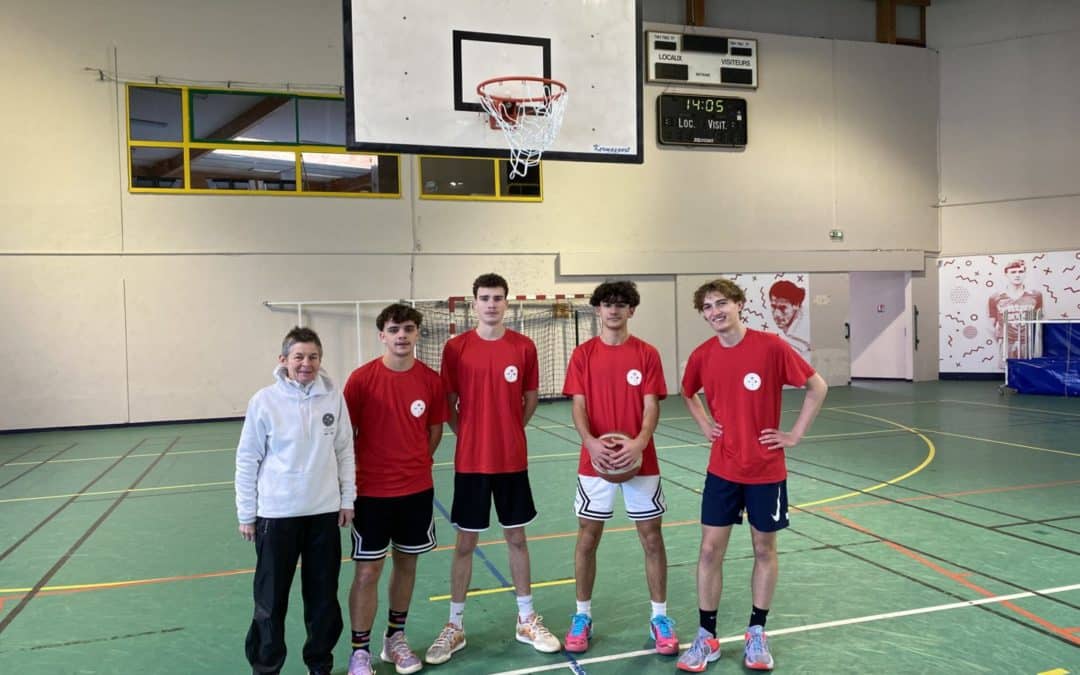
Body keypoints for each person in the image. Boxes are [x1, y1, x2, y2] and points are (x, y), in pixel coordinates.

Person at [676, 279, 828, 673]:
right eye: (707, 307)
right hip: (722, 469)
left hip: (765, 470)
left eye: (721, 303)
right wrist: (704, 423)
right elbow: (687, 391)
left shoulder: (771, 347)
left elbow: (817, 386)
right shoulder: (702, 355)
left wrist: (794, 434)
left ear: (739, 304)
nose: (715, 312)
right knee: (710, 550)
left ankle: (757, 632)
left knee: (764, 550)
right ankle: (706, 637)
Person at [424, 273, 561, 665]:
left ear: (506, 303)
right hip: (471, 462)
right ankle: (455, 626)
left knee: (516, 539)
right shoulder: (456, 348)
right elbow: (448, 400)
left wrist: (511, 429)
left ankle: (526, 618)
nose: (491, 304)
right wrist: (466, 431)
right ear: (474, 303)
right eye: (484, 298)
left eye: (498, 298)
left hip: (512, 461)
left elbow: (530, 396)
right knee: (465, 544)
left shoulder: (523, 346)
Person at [560, 280, 679, 655]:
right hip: (594, 461)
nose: (613, 310)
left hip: (640, 460)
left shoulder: (646, 353)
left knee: (651, 538)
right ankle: (582, 616)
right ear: (597, 310)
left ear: (632, 311)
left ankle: (660, 617)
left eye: (621, 304)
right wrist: (592, 443)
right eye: (607, 304)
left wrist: (640, 443)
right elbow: (578, 405)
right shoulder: (583, 354)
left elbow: (651, 405)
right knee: (588, 537)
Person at [235, 326, 356, 675]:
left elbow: (345, 450)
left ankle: (319, 664)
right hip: (276, 517)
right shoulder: (264, 401)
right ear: (284, 360)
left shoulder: (334, 398)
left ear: (321, 360)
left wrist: (347, 499)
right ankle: (266, 666)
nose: (306, 364)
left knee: (322, 600)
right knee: (270, 601)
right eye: (299, 357)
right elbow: (247, 459)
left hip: (324, 515)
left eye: (313, 357)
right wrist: (248, 513)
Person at [342, 304, 448, 675]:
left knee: (406, 566)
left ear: (417, 334)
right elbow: (344, 437)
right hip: (370, 493)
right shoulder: (360, 380)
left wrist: (414, 462)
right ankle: (359, 651)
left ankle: (395, 639)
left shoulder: (431, 381)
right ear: (381, 335)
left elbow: (434, 431)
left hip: (415, 492)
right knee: (367, 573)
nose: (401, 335)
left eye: (408, 328)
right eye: (394, 329)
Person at [988, 259, 1044, 367]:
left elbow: (1039, 318)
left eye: (1020, 271)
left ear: (1025, 273)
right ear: (1006, 274)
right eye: (1013, 272)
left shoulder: (1035, 295)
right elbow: (992, 321)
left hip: (1028, 339)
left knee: (1028, 366)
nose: (1017, 275)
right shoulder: (995, 297)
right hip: (1007, 340)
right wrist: (1000, 337)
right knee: (1008, 367)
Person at [768, 280, 810, 353]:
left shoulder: (803, 336)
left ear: (796, 305)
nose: (776, 314)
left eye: (783, 308)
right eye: (773, 307)